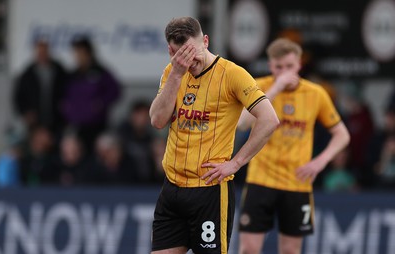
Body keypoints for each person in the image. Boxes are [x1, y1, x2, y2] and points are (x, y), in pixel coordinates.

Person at [149, 17, 279, 254]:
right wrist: (177, 75)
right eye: (182, 56)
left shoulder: (232, 74)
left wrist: (236, 163)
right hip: (172, 189)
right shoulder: (173, 72)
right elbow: (157, 120)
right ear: (171, 51)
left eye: (194, 53)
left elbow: (269, 119)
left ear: (205, 41)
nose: (191, 62)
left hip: (208, 190)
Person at [237, 38, 350, 254]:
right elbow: (242, 123)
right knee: (249, 249)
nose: (284, 72)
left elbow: (342, 134)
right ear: (270, 66)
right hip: (261, 179)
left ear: (299, 65)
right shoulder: (259, 86)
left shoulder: (315, 94)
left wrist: (321, 161)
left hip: (297, 183)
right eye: (279, 67)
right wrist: (276, 88)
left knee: (291, 250)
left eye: (289, 66)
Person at [61, 36, 121, 152]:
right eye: (76, 53)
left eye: (81, 53)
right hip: (76, 126)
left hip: (97, 126)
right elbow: (65, 97)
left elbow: (115, 91)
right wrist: (67, 109)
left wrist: (101, 103)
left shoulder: (100, 72)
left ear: (88, 53)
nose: (78, 57)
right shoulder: (73, 75)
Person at [13, 38, 67, 135]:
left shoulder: (60, 71)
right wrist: (25, 113)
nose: (42, 54)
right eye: (40, 51)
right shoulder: (27, 74)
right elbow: (18, 97)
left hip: (57, 122)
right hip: (35, 123)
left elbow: (67, 92)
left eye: (44, 51)